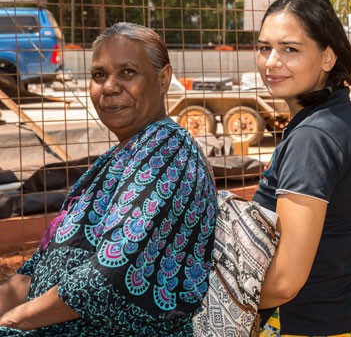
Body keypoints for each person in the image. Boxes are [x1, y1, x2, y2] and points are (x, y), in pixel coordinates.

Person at [0, 22, 218, 335]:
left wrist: (12, 320)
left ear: (163, 79)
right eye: (99, 75)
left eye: (127, 72)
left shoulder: (168, 153)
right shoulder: (116, 158)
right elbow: (38, 269)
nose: (110, 86)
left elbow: (107, 278)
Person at [252, 0, 351, 336]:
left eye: (290, 49)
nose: (271, 62)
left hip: (305, 327)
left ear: (327, 58)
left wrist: (218, 298)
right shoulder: (340, 120)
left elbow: (285, 281)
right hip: (344, 319)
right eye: (265, 48)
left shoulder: (313, 137)